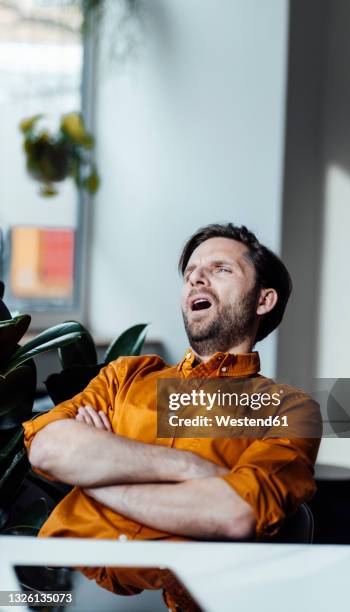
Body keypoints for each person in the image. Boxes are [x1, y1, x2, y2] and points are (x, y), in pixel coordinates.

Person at [23, 223, 321, 611]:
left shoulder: (290, 409)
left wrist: (95, 477)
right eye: (190, 272)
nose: (196, 277)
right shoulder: (126, 375)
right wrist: (190, 468)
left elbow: (234, 513)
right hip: (58, 593)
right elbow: (47, 448)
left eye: (220, 269)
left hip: (179, 601)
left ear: (263, 300)